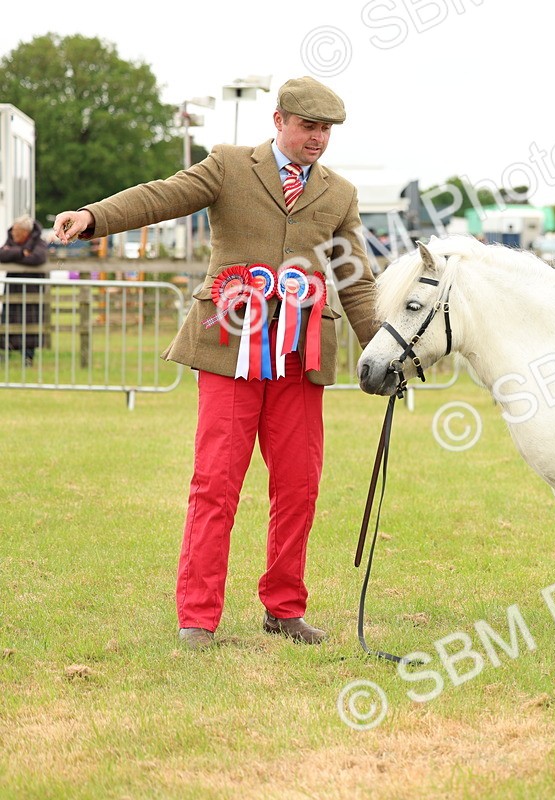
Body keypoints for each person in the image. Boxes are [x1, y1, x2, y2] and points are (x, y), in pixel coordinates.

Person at [53, 76, 380, 651]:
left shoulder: (340, 192)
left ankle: (284, 609)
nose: (319, 139)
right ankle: (198, 617)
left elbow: (355, 279)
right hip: (229, 347)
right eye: (309, 127)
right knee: (216, 484)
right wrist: (93, 216)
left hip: (302, 357)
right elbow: (161, 195)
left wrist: (380, 349)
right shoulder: (229, 165)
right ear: (279, 121)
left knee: (300, 486)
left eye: (327, 130)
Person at [0, 215, 50, 366]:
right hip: (13, 288)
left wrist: (13, 254)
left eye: (17, 232)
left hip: (32, 289)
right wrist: (22, 253)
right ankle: (5, 352)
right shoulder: (11, 240)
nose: (13, 235)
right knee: (9, 319)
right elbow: (2, 254)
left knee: (30, 322)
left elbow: (38, 258)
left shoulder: (38, 242)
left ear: (25, 232)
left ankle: (28, 357)